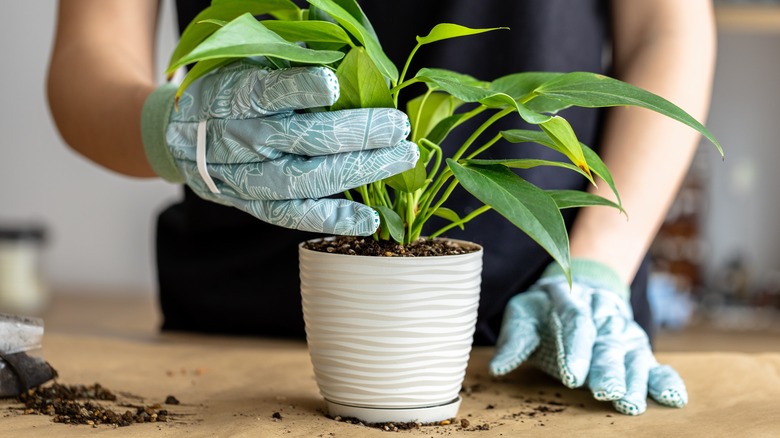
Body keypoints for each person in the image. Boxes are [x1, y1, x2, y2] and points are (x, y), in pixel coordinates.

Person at [46, 0, 716, 416]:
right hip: (230, 349)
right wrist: (179, 129)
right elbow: (87, 56)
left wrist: (595, 267)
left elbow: (669, 27)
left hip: (540, 325)